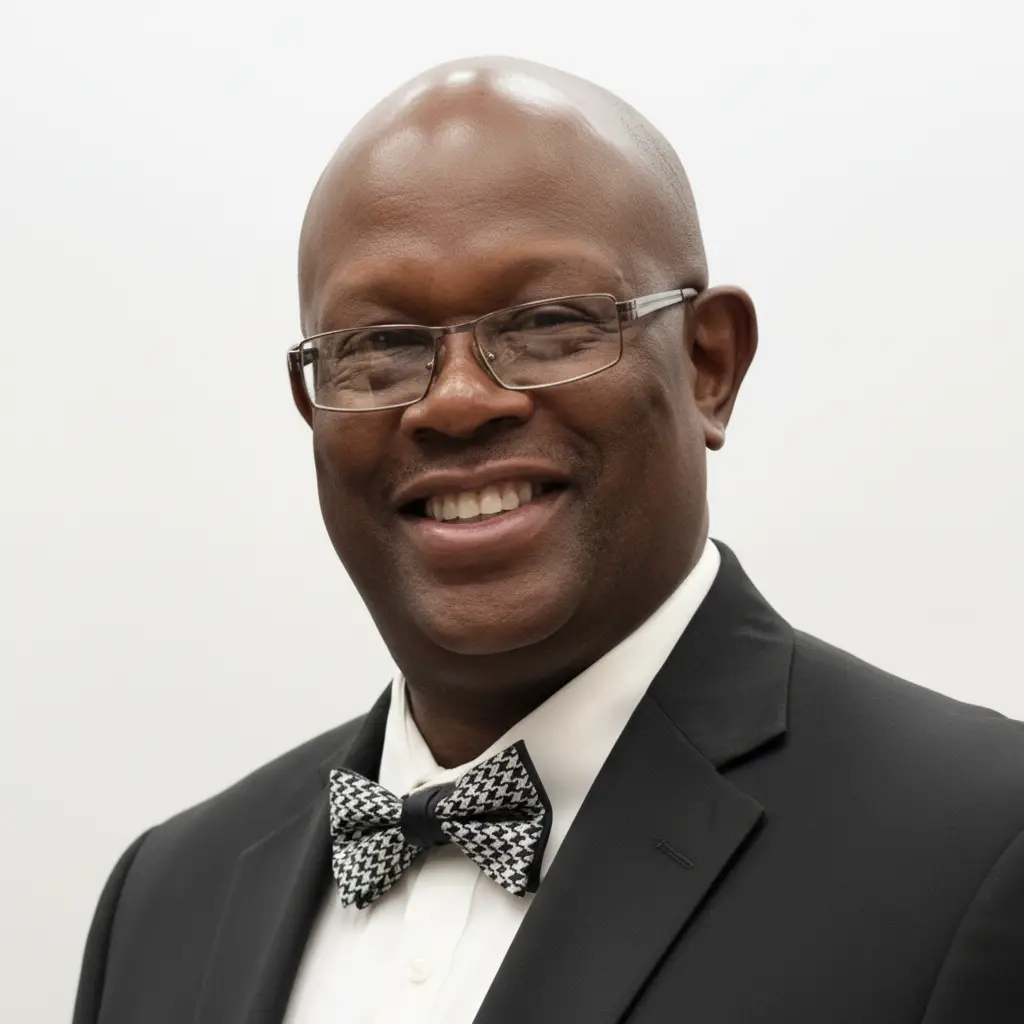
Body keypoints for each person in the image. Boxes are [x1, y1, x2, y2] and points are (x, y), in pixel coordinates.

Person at [73, 56, 1024, 1024]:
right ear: (312, 407)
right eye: (381, 345)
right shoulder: (162, 901)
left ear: (709, 366)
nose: (454, 402)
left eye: (547, 323)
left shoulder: (982, 844)